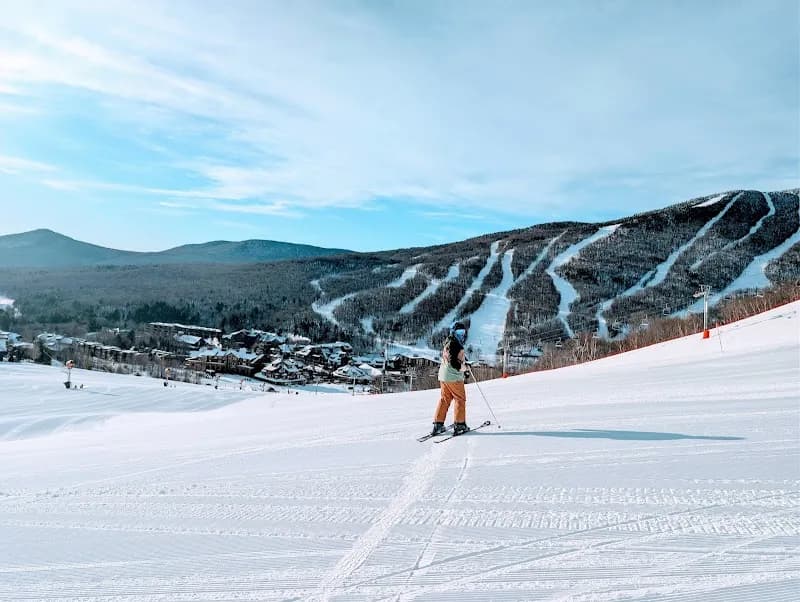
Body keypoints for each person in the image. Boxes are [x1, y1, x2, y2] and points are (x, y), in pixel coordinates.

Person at [431, 321, 471, 436]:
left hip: (443, 376)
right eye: (459, 332)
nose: (462, 334)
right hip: (453, 377)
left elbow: (454, 357)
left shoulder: (449, 342)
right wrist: (464, 368)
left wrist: (464, 363)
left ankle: (438, 424)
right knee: (460, 399)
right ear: (453, 331)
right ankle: (460, 425)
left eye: (463, 332)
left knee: (445, 399)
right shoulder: (454, 343)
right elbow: (454, 362)